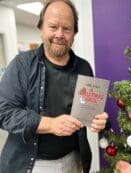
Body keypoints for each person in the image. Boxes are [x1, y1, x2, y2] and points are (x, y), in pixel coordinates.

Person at [0, 0, 108, 173]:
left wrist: (98, 121)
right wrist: (50, 124)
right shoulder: (21, 65)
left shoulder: (84, 67)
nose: (60, 34)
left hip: (74, 160)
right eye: (53, 27)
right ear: (41, 29)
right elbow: (3, 112)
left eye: (67, 28)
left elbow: (89, 111)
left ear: (74, 33)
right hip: (31, 164)